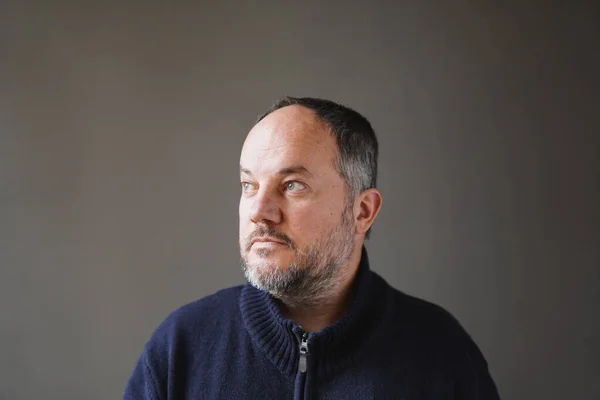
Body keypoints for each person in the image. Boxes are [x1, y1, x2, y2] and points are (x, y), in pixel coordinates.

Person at [124, 97, 500, 399]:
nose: (259, 212)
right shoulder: (181, 347)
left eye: (292, 185)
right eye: (249, 185)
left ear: (362, 211)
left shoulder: (441, 354)